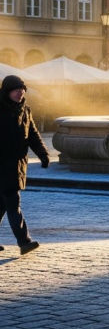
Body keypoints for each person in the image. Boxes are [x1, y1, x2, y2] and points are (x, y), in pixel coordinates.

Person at [0, 75, 50, 255]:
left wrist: (43, 154)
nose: (20, 92)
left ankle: (24, 241)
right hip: (3, 165)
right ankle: (24, 241)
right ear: (7, 92)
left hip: (17, 165)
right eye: (16, 89)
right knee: (13, 203)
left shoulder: (25, 110)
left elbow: (33, 135)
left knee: (2, 205)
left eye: (22, 89)